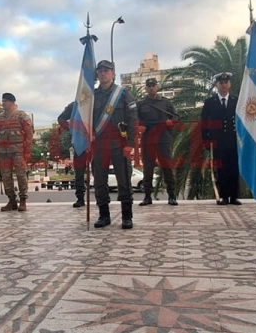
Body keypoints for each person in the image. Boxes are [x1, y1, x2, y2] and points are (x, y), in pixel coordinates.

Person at [90, 60, 137, 228]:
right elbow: (84, 117)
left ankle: (127, 216)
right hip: (99, 144)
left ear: (113, 73)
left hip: (119, 143)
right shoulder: (91, 96)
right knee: (100, 180)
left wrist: (130, 143)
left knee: (124, 180)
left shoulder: (123, 93)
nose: (103, 73)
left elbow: (133, 119)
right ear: (97, 74)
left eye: (107, 70)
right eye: (100, 71)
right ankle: (104, 215)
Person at [136, 77, 179, 206]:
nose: (151, 88)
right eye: (149, 86)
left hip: (163, 139)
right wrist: (139, 126)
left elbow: (176, 116)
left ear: (157, 87)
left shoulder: (165, 103)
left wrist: (171, 122)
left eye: (153, 85)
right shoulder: (141, 104)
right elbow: (135, 119)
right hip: (148, 140)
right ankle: (147, 197)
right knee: (148, 169)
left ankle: (172, 196)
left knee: (167, 168)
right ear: (145, 89)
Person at [0, 93, 32, 212]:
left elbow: (29, 134)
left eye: (5, 101)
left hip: (18, 152)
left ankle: (23, 200)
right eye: (2, 101)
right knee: (6, 177)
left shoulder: (22, 116)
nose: (3, 104)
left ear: (12, 102)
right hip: (3, 153)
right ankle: (12, 200)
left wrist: (27, 151)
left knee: (21, 175)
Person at [201, 72, 240, 205]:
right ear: (216, 85)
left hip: (233, 140)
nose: (224, 85)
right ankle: (224, 196)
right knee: (221, 169)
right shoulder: (210, 102)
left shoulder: (236, 100)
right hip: (218, 141)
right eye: (221, 83)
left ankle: (234, 196)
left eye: (226, 82)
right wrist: (206, 140)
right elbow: (204, 122)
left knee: (234, 168)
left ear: (230, 84)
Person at [57, 102, 87, 208]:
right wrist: (72, 129)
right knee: (79, 173)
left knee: (99, 172)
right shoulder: (75, 105)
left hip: (96, 140)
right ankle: (80, 198)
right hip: (79, 141)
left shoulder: (97, 100)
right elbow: (61, 118)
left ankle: (102, 199)